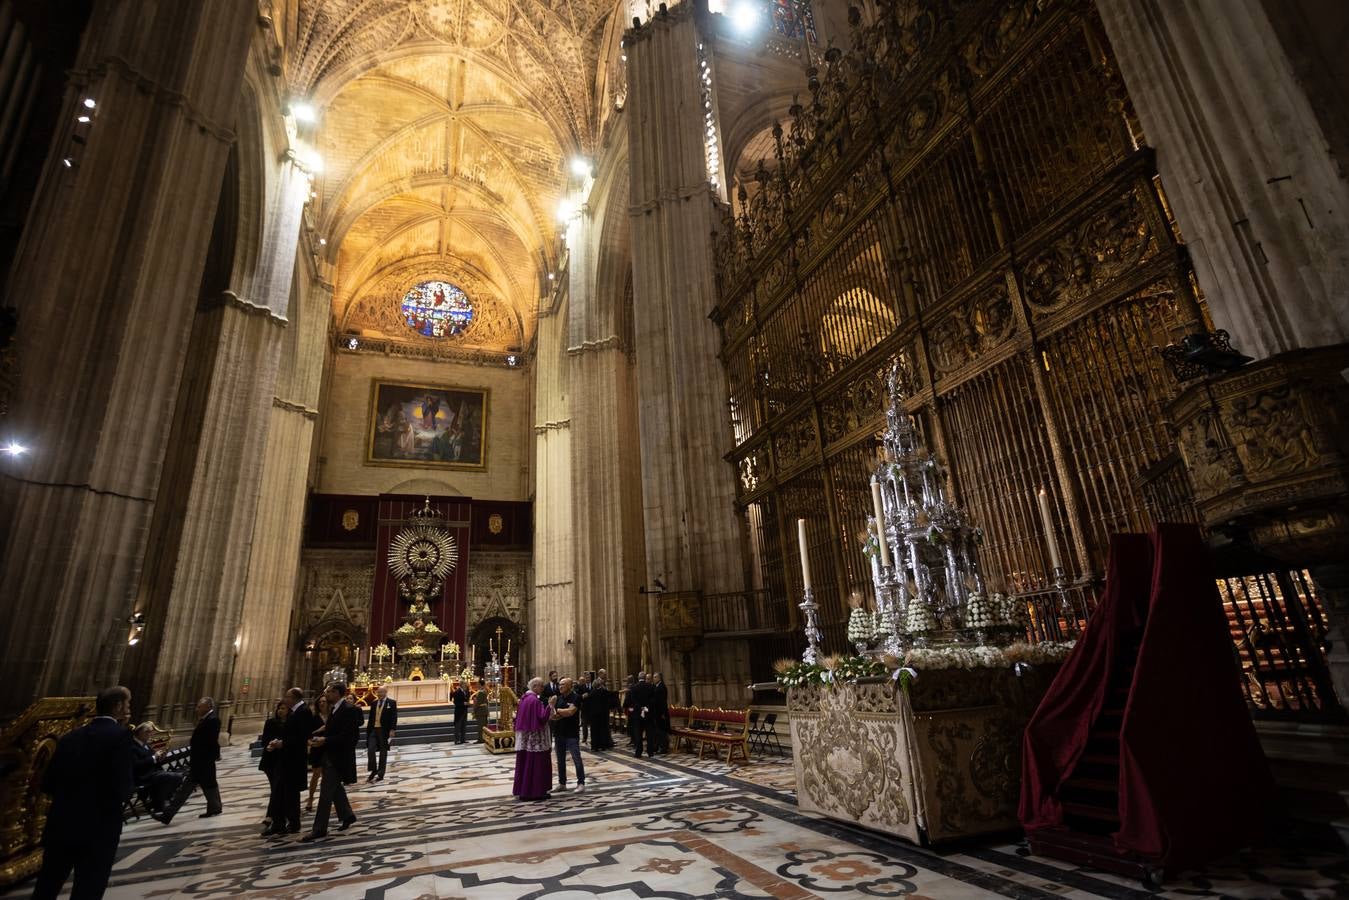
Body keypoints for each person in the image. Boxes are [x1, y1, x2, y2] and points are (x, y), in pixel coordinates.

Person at [32, 685, 136, 900]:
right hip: (99, 826)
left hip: (61, 823)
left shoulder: (69, 737)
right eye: (127, 704)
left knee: (47, 885)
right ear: (118, 706)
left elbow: (48, 783)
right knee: (89, 886)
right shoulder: (120, 736)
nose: (128, 708)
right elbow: (122, 786)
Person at [303, 683, 360, 841]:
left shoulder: (348, 710)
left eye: (328, 692)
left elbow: (349, 736)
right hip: (329, 755)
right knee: (334, 789)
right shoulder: (334, 709)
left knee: (326, 792)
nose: (325, 694)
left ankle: (319, 829)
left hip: (339, 757)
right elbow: (333, 730)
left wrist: (325, 740)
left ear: (337, 693)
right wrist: (321, 736)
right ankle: (347, 815)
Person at [159, 697, 222, 823]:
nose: (196, 709)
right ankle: (215, 807)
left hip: (202, 760)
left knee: (187, 788)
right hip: (202, 760)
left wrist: (212, 755)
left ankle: (168, 815)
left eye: (200, 706)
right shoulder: (207, 719)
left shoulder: (212, 720)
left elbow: (211, 741)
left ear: (208, 707)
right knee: (209, 784)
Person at [267, 687, 314, 836]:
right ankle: (278, 822)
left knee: (290, 792)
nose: (285, 699)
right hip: (286, 757)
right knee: (279, 791)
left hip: (294, 759)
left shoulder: (303, 712)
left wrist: (283, 743)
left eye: (287, 696)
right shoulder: (294, 712)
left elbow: (303, 736)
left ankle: (293, 823)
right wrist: (279, 741)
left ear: (295, 698)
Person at [511, 677, 553, 801]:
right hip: (535, 740)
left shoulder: (525, 699)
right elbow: (542, 718)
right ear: (534, 686)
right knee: (536, 765)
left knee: (525, 764)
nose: (542, 688)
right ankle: (535, 792)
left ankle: (524, 791)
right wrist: (550, 706)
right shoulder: (534, 700)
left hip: (526, 739)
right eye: (541, 686)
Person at [130, 723, 179, 815]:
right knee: (171, 777)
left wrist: (159, 758)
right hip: (142, 776)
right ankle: (158, 804)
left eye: (151, 732)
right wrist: (154, 757)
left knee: (177, 777)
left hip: (152, 773)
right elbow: (137, 765)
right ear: (139, 733)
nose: (150, 735)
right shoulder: (132, 747)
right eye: (148, 732)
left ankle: (157, 802)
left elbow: (153, 760)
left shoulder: (145, 744)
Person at [258, 701, 288, 835]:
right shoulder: (270, 722)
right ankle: (277, 817)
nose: (281, 711)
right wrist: (270, 744)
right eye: (279, 708)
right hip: (270, 759)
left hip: (283, 760)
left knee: (277, 789)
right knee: (275, 789)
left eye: (284, 708)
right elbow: (264, 739)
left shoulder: (291, 723)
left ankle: (272, 817)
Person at [550, 677, 585, 793]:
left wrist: (559, 710)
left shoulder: (576, 697)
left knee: (576, 758)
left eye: (563, 684)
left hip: (571, 733)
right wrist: (561, 711)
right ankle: (562, 783)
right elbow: (554, 716)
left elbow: (571, 712)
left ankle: (581, 783)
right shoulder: (558, 698)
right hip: (559, 732)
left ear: (570, 686)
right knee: (560, 760)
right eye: (559, 684)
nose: (560, 686)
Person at [365, 685, 397, 782]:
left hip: (384, 730)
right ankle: (374, 769)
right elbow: (371, 718)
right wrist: (368, 730)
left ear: (385, 692)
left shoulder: (391, 703)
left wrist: (392, 729)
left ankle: (381, 773)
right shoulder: (374, 703)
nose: (379, 694)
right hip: (374, 729)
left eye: (381, 692)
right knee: (370, 750)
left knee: (383, 752)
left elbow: (394, 716)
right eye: (378, 692)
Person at [305, 694, 330, 811]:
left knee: (327, 776)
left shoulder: (332, 716)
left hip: (329, 747)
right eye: (320, 702)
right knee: (316, 774)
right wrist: (319, 730)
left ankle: (325, 800)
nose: (322, 703)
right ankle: (310, 798)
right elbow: (308, 733)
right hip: (317, 748)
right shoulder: (314, 717)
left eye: (324, 701)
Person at [583, 678, 618, 751]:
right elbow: (613, 695)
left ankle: (595, 746)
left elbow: (587, 704)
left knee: (594, 731)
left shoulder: (591, 693)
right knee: (603, 729)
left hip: (594, 715)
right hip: (603, 715)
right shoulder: (604, 692)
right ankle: (603, 745)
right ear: (600, 685)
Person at [625, 673, 654, 758]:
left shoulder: (634, 688)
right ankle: (650, 752)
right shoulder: (650, 686)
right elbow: (652, 700)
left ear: (638, 678)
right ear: (645, 678)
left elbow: (633, 701)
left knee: (638, 734)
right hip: (648, 713)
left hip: (637, 715)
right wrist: (646, 707)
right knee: (649, 733)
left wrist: (640, 708)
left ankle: (638, 752)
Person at [650, 672, 670, 754]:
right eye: (653, 677)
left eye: (655, 677)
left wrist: (662, 713)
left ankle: (664, 747)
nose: (653, 679)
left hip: (660, 713)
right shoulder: (656, 686)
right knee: (658, 731)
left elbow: (662, 702)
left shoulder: (661, 687)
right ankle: (658, 746)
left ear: (659, 678)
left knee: (662, 731)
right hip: (656, 713)